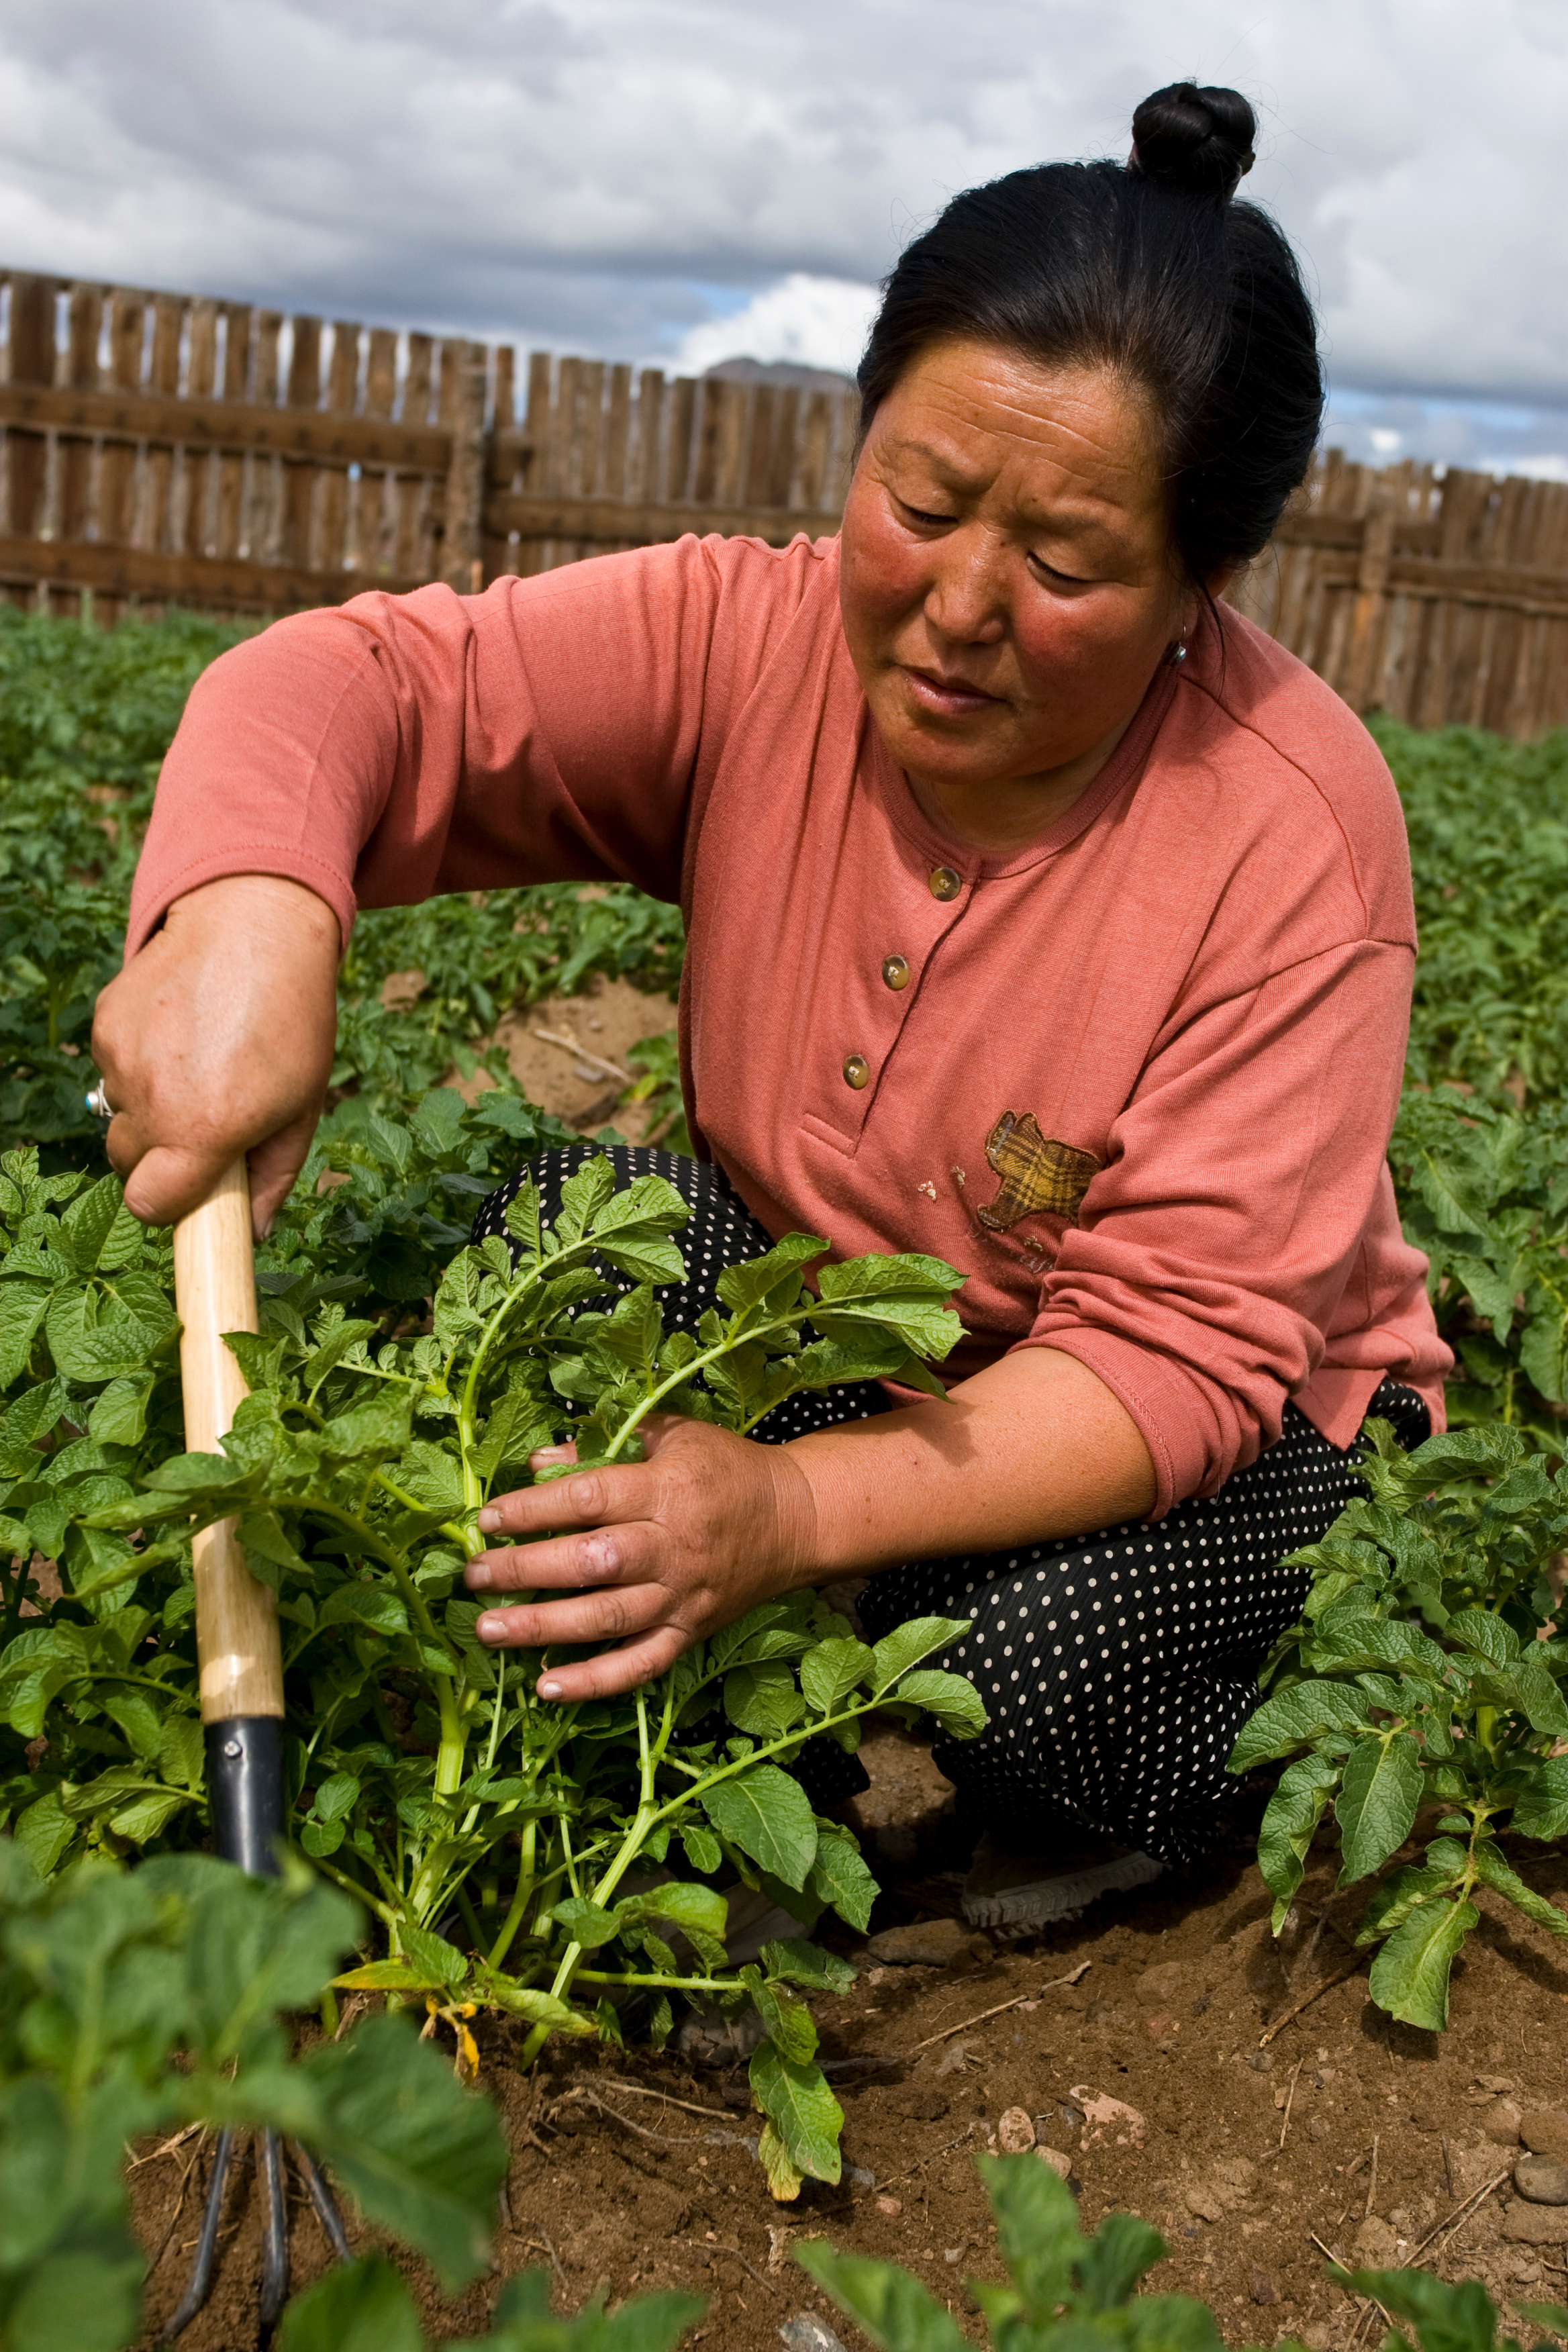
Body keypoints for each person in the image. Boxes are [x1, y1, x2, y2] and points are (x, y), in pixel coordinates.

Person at [94, 81, 1449, 1930]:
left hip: (1222, 1421)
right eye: (920, 498)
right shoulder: (754, 641)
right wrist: (250, 908)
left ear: (1206, 583)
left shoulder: (1290, 837)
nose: (958, 604)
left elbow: (1177, 1361)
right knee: (560, 1254)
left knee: (1022, 1656)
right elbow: (361, 687)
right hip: (843, 1305)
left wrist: (789, 1517)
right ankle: (750, 1799)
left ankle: (1156, 1792)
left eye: (1061, 566)